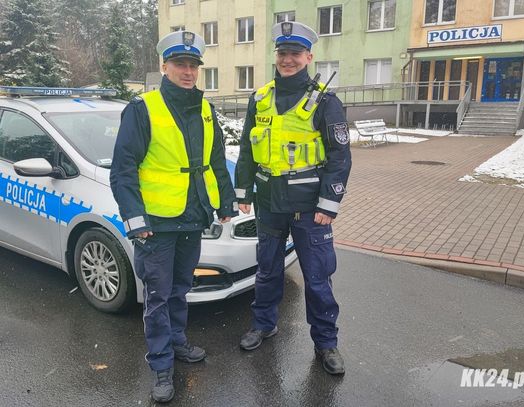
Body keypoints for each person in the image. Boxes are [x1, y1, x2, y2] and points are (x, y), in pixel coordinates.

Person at [110, 30, 237, 403]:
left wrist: (225, 202)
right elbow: (123, 170)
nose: (187, 71)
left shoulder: (205, 109)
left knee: (182, 288)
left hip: (193, 215)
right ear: (164, 66)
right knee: (158, 296)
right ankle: (161, 364)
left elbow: (215, 161)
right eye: (180, 64)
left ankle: (177, 342)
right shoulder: (142, 109)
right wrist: (135, 220)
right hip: (157, 224)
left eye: (193, 65)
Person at [234, 21, 351, 375]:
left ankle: (326, 343)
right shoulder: (260, 98)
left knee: (317, 278)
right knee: (267, 270)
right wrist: (243, 194)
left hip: (308, 208)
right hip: (269, 202)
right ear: (276, 56)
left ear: (308, 56)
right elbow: (246, 150)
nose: (288, 60)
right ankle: (263, 324)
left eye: (295, 54)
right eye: (283, 53)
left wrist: (328, 205)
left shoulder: (326, 102)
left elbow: (339, 157)